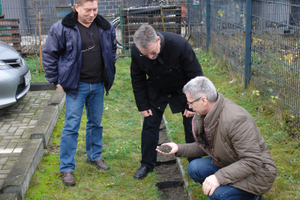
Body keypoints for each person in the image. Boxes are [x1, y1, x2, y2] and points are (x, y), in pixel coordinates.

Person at [156, 76, 277, 200]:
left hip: (258, 173)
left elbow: (252, 161)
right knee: (194, 168)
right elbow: (209, 146)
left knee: (217, 194)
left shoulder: (236, 120)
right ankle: (233, 190)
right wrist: (178, 148)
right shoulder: (208, 114)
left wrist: (218, 178)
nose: (190, 107)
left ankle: (252, 196)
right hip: (232, 162)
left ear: (203, 101)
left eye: (190, 102)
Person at [42, 0, 116, 186]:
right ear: (76, 7)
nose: (92, 14)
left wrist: (109, 69)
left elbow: (112, 49)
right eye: (87, 10)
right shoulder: (62, 28)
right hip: (76, 86)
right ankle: (66, 167)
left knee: (95, 124)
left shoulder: (105, 26)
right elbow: (50, 53)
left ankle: (94, 156)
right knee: (71, 126)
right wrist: (55, 79)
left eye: (95, 9)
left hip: (98, 84)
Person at [130, 24, 204, 179]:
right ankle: (147, 164)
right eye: (146, 55)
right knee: (150, 124)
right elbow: (137, 78)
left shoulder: (179, 45)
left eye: (153, 53)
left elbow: (196, 76)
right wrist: (142, 105)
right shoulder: (137, 51)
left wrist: (193, 104)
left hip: (183, 89)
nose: (150, 57)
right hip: (156, 89)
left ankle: (196, 163)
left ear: (158, 40)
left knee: (191, 125)